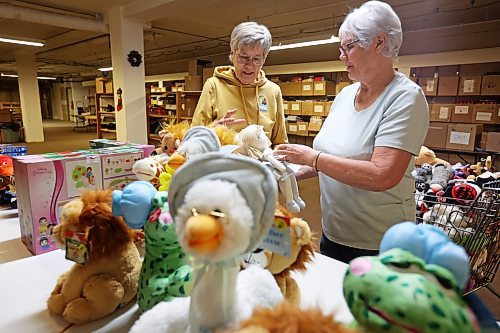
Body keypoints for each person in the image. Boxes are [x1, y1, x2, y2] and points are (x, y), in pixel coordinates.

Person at [274, 0, 429, 264]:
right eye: (341, 48)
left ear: (379, 43)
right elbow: (331, 157)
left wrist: (312, 158)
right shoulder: (346, 95)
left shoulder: (405, 98)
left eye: (349, 46)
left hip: (380, 244)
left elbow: (382, 175)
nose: (341, 56)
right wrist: (286, 172)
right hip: (334, 232)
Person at [192, 21, 288, 145]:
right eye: (243, 57)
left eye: (256, 59)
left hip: (261, 164)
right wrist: (214, 129)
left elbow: (280, 143)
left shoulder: (273, 91)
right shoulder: (214, 85)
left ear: (264, 60)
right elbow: (193, 138)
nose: (249, 66)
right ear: (232, 55)